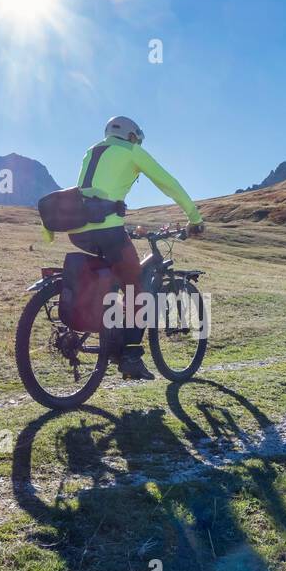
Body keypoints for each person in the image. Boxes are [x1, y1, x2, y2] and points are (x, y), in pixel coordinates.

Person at [65, 116, 204, 380]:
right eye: (136, 139)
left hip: (78, 231)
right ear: (131, 136)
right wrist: (194, 218)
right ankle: (129, 355)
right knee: (138, 286)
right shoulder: (131, 151)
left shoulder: (91, 151)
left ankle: (112, 331)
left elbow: (96, 190)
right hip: (107, 229)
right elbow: (168, 183)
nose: (137, 143)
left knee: (117, 280)